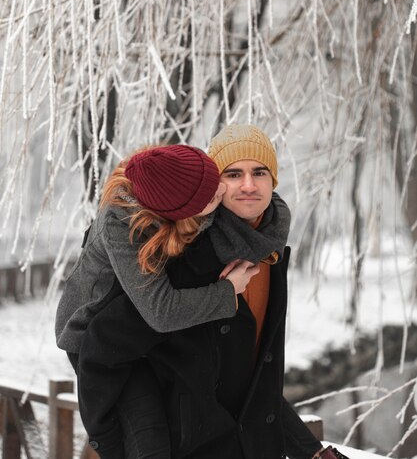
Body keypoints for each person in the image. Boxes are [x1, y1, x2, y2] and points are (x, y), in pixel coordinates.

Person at [75, 125, 348, 459]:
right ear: (215, 186)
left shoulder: (269, 252)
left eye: (259, 172)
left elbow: (256, 374)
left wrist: (312, 452)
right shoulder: (180, 258)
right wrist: (112, 440)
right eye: (233, 174)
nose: (248, 185)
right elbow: (103, 345)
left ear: (273, 180)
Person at [56, 141, 290, 457]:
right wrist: (227, 291)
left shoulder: (169, 180)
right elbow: (161, 312)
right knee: (147, 441)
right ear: (180, 210)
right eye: (212, 194)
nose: (221, 190)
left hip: (140, 336)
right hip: (95, 339)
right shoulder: (122, 225)